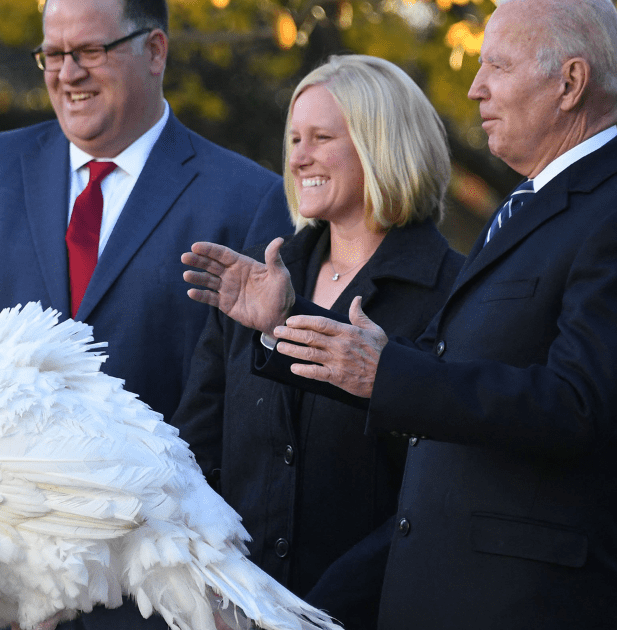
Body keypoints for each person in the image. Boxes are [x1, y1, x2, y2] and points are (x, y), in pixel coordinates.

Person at [183, 0, 617, 628]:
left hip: (530, 607)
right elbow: (451, 377)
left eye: (497, 67)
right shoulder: (530, 209)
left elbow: (575, 406)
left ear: (570, 83)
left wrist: (387, 374)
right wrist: (288, 319)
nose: (475, 88)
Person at [0, 0, 292, 627]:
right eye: (53, 54)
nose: (67, 73)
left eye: (90, 52)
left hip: (153, 596)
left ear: (154, 51)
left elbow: (251, 415)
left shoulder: (246, 199)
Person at [171, 55, 463, 630]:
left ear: (383, 145)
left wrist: (312, 614)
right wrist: (215, 584)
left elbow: (437, 492)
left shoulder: (453, 292)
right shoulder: (255, 284)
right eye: (294, 138)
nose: (298, 157)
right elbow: (192, 454)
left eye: (322, 137)